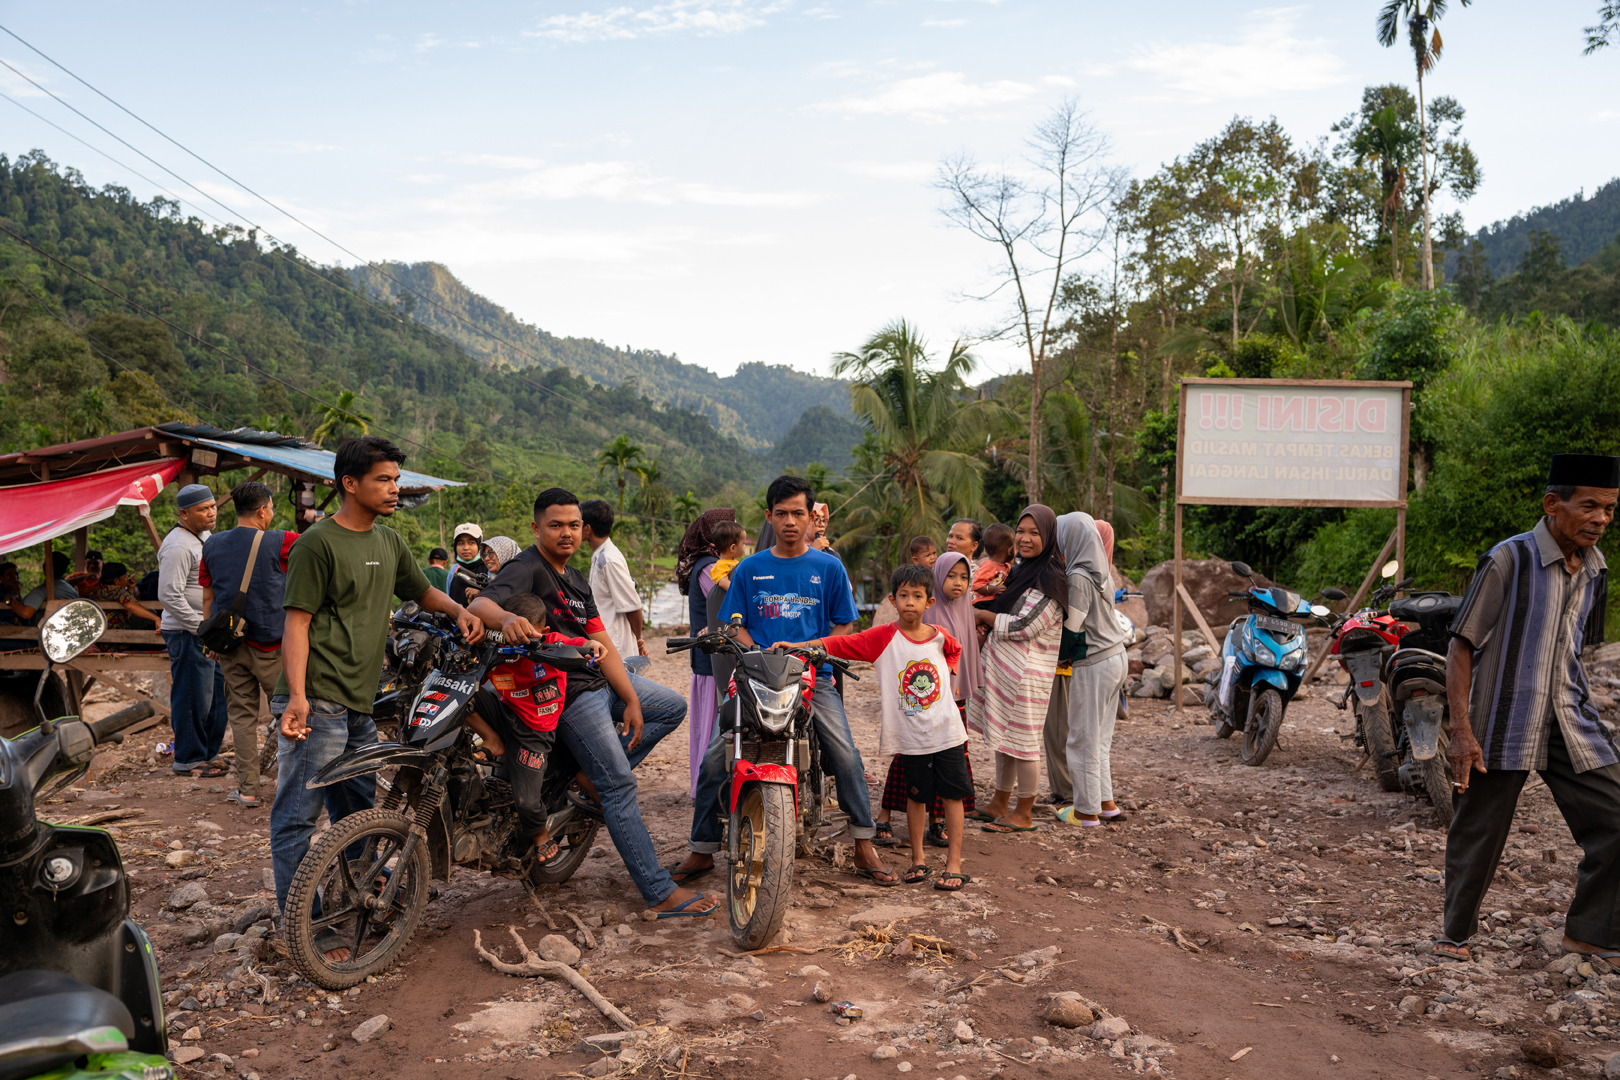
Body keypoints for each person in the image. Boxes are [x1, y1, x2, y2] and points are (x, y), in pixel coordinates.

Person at [271, 436, 482, 961]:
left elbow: (421, 591)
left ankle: (352, 898)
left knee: (358, 810)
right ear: (350, 484)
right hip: (317, 699)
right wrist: (295, 695)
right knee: (298, 817)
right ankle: (307, 928)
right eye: (383, 479)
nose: (394, 488)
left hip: (362, 703)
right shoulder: (316, 544)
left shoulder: (388, 542)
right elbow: (295, 623)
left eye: (395, 479)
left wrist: (459, 612)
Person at [469, 488, 711, 918]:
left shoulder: (577, 581)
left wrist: (632, 698)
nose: (567, 533)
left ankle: (583, 774)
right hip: (567, 695)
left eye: (574, 525)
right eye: (556, 525)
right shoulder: (526, 567)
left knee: (670, 706)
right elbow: (484, 601)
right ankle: (659, 891)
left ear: (584, 528)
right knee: (618, 786)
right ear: (536, 528)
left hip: (596, 680)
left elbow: (604, 645)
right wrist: (507, 618)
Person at [669, 475, 900, 887]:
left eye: (798, 513)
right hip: (755, 675)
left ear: (811, 516)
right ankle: (702, 848)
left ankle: (864, 843)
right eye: (782, 514)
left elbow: (846, 624)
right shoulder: (749, 569)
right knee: (712, 760)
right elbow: (734, 623)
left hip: (813, 676)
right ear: (768, 517)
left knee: (845, 754)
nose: (790, 521)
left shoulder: (829, 567)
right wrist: (752, 651)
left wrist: (815, 647)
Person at [1435, 453, 1620, 963]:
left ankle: (1591, 932)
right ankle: (1454, 935)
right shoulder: (1508, 560)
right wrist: (1461, 730)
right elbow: (1461, 645)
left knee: (1615, 818)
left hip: (1569, 716)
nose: (1601, 519)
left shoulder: (1596, 569)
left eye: (1609, 509)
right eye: (1590, 507)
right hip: (1504, 718)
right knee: (1480, 830)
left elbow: (1574, 651)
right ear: (1552, 504)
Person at [779, 564, 970, 891]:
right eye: (904, 596)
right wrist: (801, 647)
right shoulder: (882, 638)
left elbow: (955, 650)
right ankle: (918, 860)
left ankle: (954, 863)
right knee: (917, 798)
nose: (910, 602)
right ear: (893, 601)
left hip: (947, 731)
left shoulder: (940, 637)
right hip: (910, 738)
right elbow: (840, 643)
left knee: (952, 797)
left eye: (918, 596)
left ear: (930, 603)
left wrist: (950, 674)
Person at [466, 591, 605, 866]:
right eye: (510, 635)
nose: (515, 643)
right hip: (505, 713)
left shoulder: (551, 643)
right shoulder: (497, 646)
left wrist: (592, 646)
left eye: (524, 636)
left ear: (542, 631)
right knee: (461, 691)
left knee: (527, 802)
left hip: (534, 732)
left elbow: (577, 642)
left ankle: (541, 835)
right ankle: (492, 739)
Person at [200, 481, 299, 808]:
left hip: (229, 646)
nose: (272, 514)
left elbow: (209, 595)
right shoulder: (282, 540)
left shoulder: (212, 545)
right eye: (271, 508)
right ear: (262, 510)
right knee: (291, 712)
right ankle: (301, 788)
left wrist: (211, 638)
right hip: (271, 648)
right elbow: (319, 554)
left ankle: (248, 791)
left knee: (241, 719)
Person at [968, 505, 1066, 833]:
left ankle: (1024, 811)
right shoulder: (1023, 569)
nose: (1025, 539)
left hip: (1028, 675)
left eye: (1034, 533)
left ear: (1048, 536)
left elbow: (1026, 625)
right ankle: (999, 801)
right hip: (1006, 671)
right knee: (1004, 740)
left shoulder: (1050, 576)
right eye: (1021, 532)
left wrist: (984, 618)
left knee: (1023, 743)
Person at [875, 551, 981, 848]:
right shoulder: (924, 614)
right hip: (916, 707)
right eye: (950, 575)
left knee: (947, 764)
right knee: (909, 762)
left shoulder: (962, 608)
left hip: (949, 701)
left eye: (964, 577)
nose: (957, 583)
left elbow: (959, 649)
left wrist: (952, 675)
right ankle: (886, 816)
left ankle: (937, 823)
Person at [1051, 514, 1130, 828]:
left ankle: (1085, 811)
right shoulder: (1101, 571)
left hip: (1094, 662)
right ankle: (1105, 802)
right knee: (1099, 739)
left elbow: (1073, 627)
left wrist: (1055, 657)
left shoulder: (1079, 577)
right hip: (1116, 657)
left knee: (1081, 739)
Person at [160, 484, 229, 779]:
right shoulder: (177, 545)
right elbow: (169, 595)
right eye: (203, 509)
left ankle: (209, 754)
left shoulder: (204, 538)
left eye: (213, 506)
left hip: (207, 631)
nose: (211, 512)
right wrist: (200, 628)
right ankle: (188, 759)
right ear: (184, 514)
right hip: (187, 633)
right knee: (192, 697)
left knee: (214, 697)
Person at [675, 509, 739, 797]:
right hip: (711, 659)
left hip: (714, 654)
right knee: (712, 724)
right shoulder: (710, 567)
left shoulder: (710, 563)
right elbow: (725, 599)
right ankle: (706, 789)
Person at [581, 500, 648, 670]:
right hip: (606, 641)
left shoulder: (608, 559)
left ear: (587, 529)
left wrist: (637, 639)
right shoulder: (600, 556)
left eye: (576, 524)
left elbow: (633, 606)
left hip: (616, 646)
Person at [85, 562, 161, 634]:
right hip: (116, 639)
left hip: (102, 635)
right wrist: (156, 619)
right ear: (116, 581)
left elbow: (129, 613)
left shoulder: (99, 590)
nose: (127, 579)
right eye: (125, 577)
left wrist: (130, 588)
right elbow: (130, 605)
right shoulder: (115, 590)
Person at [5, 552, 78, 625]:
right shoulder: (71, 590)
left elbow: (26, 613)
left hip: (43, 632)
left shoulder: (41, 591)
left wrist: (10, 601)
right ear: (65, 571)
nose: (14, 577)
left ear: (44, 567)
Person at [971, 523, 1014, 601]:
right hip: (983, 603)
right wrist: (994, 589)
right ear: (1010, 550)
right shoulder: (988, 566)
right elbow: (976, 586)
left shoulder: (1007, 566)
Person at [709, 525, 746, 591]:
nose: (744, 546)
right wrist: (741, 592)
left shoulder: (732, 563)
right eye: (743, 543)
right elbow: (723, 583)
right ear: (733, 548)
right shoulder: (721, 565)